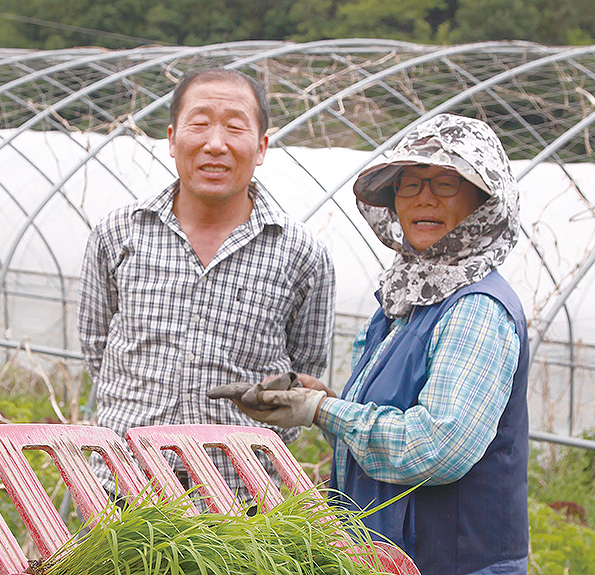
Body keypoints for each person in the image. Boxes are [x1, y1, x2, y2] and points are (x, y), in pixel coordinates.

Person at [218, 114, 529, 575]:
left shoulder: (476, 308)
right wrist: (322, 400)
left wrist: (321, 411)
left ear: (483, 201)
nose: (423, 197)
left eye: (445, 182)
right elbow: (383, 418)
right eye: (409, 183)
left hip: (453, 562)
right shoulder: (409, 295)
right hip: (386, 554)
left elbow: (437, 447)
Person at [76, 68, 336, 501]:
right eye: (199, 124)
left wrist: (258, 459)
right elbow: (96, 347)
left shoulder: (301, 253)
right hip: (123, 488)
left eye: (235, 127)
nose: (215, 144)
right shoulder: (119, 233)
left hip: (242, 497)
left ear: (262, 147)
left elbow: (304, 371)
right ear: (173, 138)